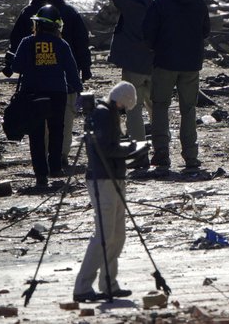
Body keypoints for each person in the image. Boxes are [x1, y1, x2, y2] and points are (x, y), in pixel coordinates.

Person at [4, 0, 92, 172]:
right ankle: (59, 161)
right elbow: (80, 45)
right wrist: (83, 77)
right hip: (61, 89)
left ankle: (41, 170)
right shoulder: (68, 17)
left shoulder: (27, 19)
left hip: (32, 89)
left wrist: (12, 64)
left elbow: (15, 52)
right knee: (60, 127)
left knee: (37, 130)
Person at [73, 81, 143, 303]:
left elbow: (108, 145)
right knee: (104, 235)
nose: (124, 111)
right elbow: (104, 149)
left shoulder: (109, 112)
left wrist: (127, 147)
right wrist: (131, 149)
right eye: (125, 107)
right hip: (103, 180)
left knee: (117, 235)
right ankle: (83, 287)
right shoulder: (104, 114)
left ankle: (108, 285)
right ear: (122, 100)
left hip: (114, 177)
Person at [142, 0, 210, 174]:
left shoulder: (159, 3)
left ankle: (161, 156)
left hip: (164, 63)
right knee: (188, 110)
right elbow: (206, 31)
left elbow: (147, 36)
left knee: (160, 107)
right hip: (191, 65)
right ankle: (191, 157)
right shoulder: (199, 2)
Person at [11, 4, 84, 189]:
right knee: (56, 130)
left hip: (32, 94)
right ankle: (56, 168)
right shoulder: (61, 44)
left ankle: (41, 175)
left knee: (36, 135)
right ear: (57, 26)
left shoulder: (26, 42)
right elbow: (72, 71)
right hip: (57, 93)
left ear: (37, 24)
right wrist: (80, 92)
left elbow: (16, 68)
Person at [105, 0, 165, 168]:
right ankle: (162, 154)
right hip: (158, 66)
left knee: (134, 112)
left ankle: (140, 157)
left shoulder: (135, 4)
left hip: (134, 66)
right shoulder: (167, 7)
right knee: (158, 111)